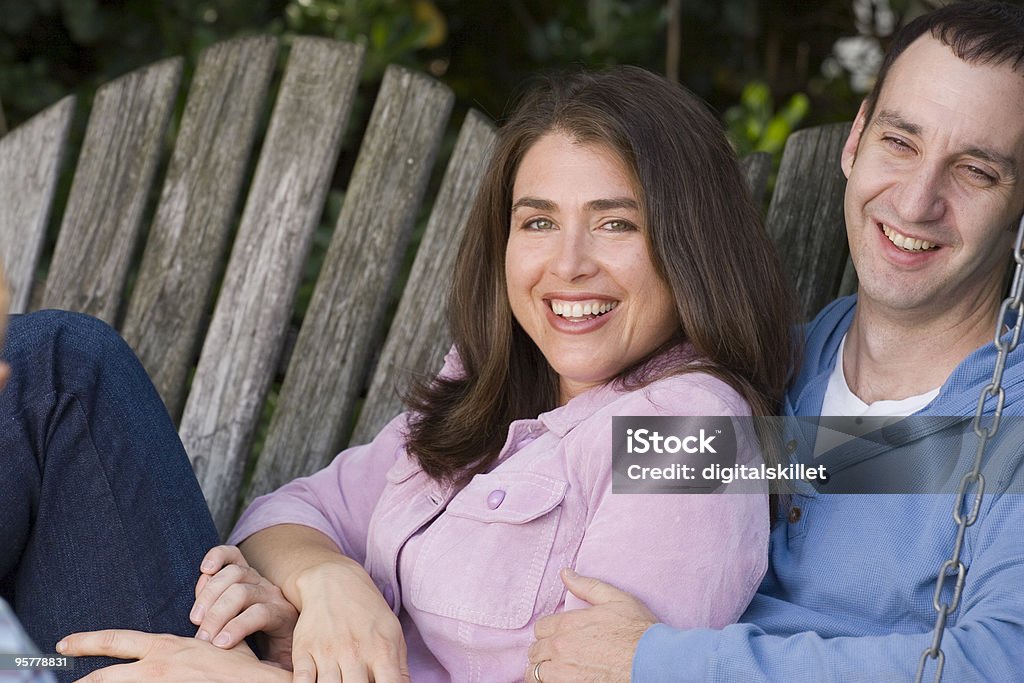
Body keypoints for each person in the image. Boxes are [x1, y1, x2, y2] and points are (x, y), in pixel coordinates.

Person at [10, 66, 794, 681]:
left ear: (691, 246)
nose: (568, 265)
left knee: (59, 372)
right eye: (539, 221)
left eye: (616, 223)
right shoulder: (492, 387)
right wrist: (329, 585)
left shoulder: (691, 432)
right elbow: (289, 511)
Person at [525, 2, 1024, 681]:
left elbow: (995, 663)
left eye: (976, 171)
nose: (915, 202)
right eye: (900, 143)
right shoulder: (744, 376)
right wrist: (324, 560)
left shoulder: (1008, 432)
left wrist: (665, 662)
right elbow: (550, 468)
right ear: (855, 141)